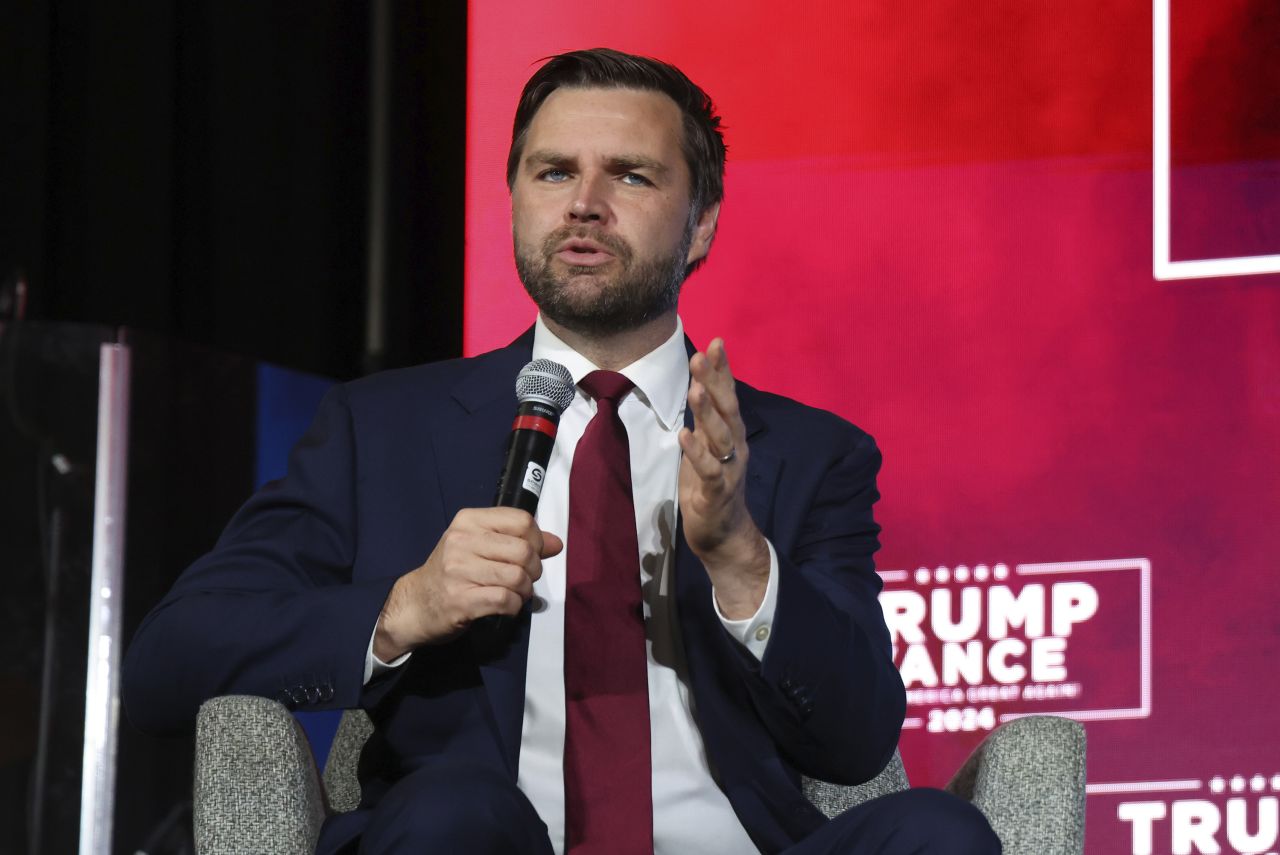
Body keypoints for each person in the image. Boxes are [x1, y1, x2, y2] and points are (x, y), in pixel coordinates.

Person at [124, 48, 1000, 854]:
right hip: (479, 836)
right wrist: (403, 607)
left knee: (938, 831)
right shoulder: (381, 427)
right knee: (447, 812)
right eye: (554, 172)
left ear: (700, 226)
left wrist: (742, 562)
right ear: (517, 199)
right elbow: (169, 661)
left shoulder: (807, 454)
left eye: (630, 174)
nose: (584, 202)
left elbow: (857, 740)